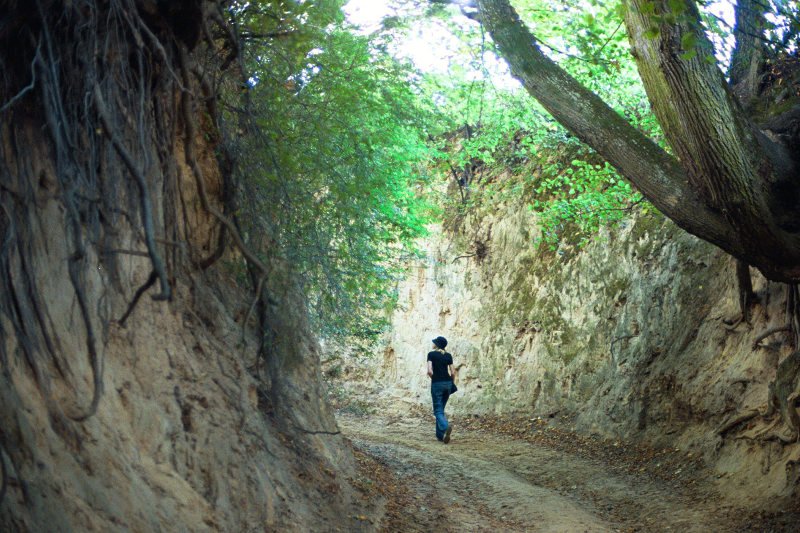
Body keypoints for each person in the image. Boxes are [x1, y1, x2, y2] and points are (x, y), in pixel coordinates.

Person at [427, 336, 455, 444]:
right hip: (448, 384)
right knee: (441, 410)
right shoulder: (448, 355)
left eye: (434, 342)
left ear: (437, 344)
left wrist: (435, 379)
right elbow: (453, 372)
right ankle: (440, 436)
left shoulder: (431, 354)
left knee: (437, 411)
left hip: (437, 384)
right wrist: (452, 383)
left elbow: (429, 371)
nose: (433, 343)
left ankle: (446, 427)